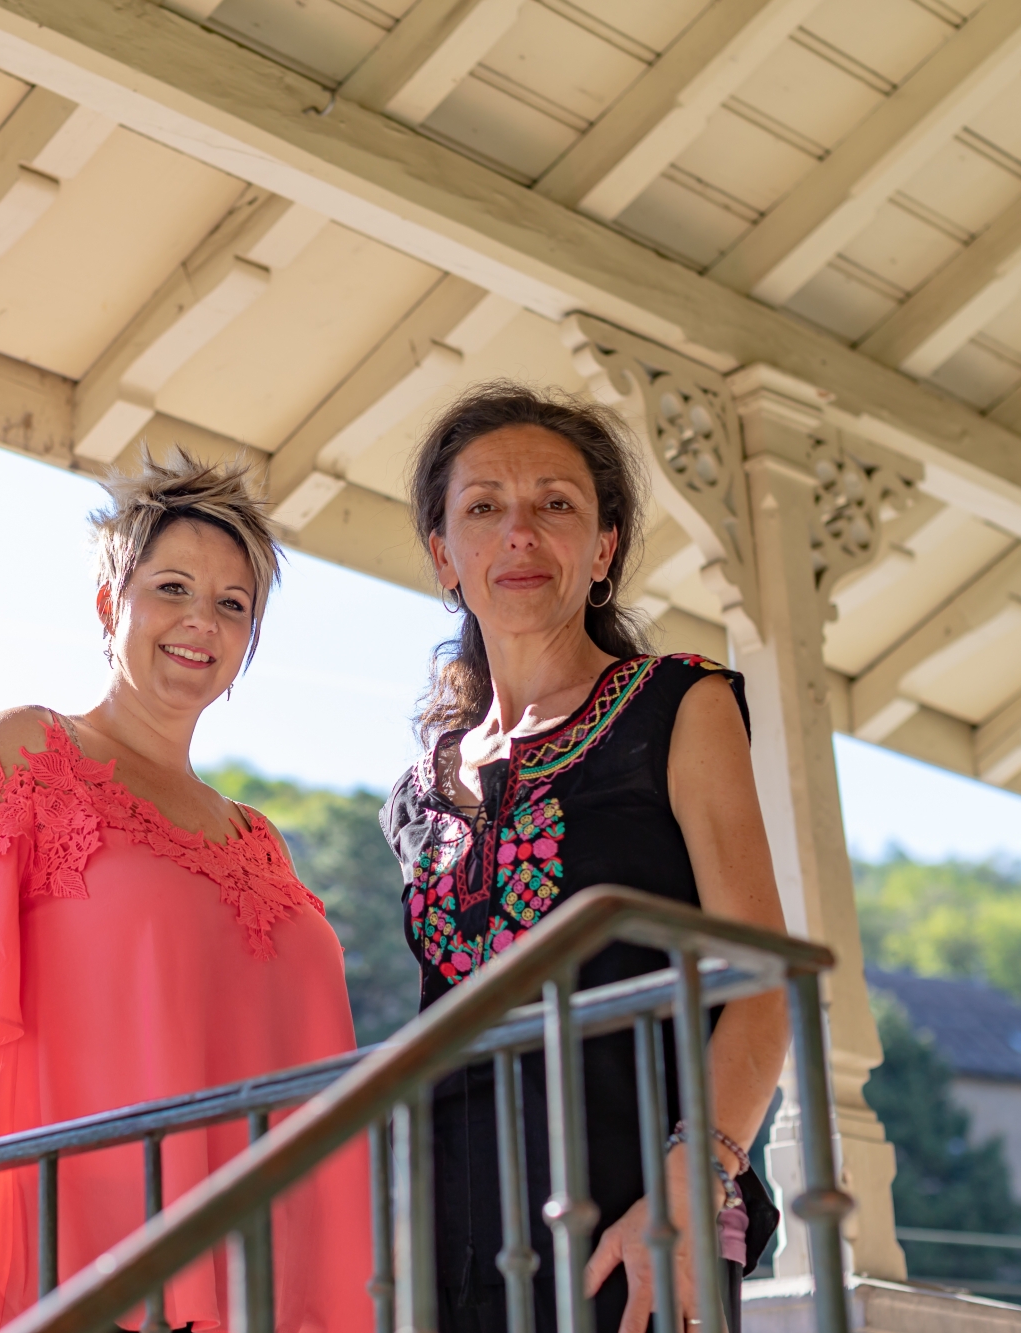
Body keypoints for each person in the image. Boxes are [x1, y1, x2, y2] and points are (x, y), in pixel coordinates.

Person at [0, 449, 372, 1333]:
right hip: (70, 1274)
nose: (201, 619)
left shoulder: (262, 842)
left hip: (263, 1290)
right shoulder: (29, 753)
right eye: (171, 587)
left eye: (234, 604)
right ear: (108, 604)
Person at [379, 384, 791, 1333]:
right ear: (446, 555)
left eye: (556, 503)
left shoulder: (678, 707)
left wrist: (692, 1185)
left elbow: (764, 980)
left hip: (637, 1227)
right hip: (452, 1251)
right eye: (483, 507)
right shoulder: (417, 793)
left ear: (603, 547)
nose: (519, 532)